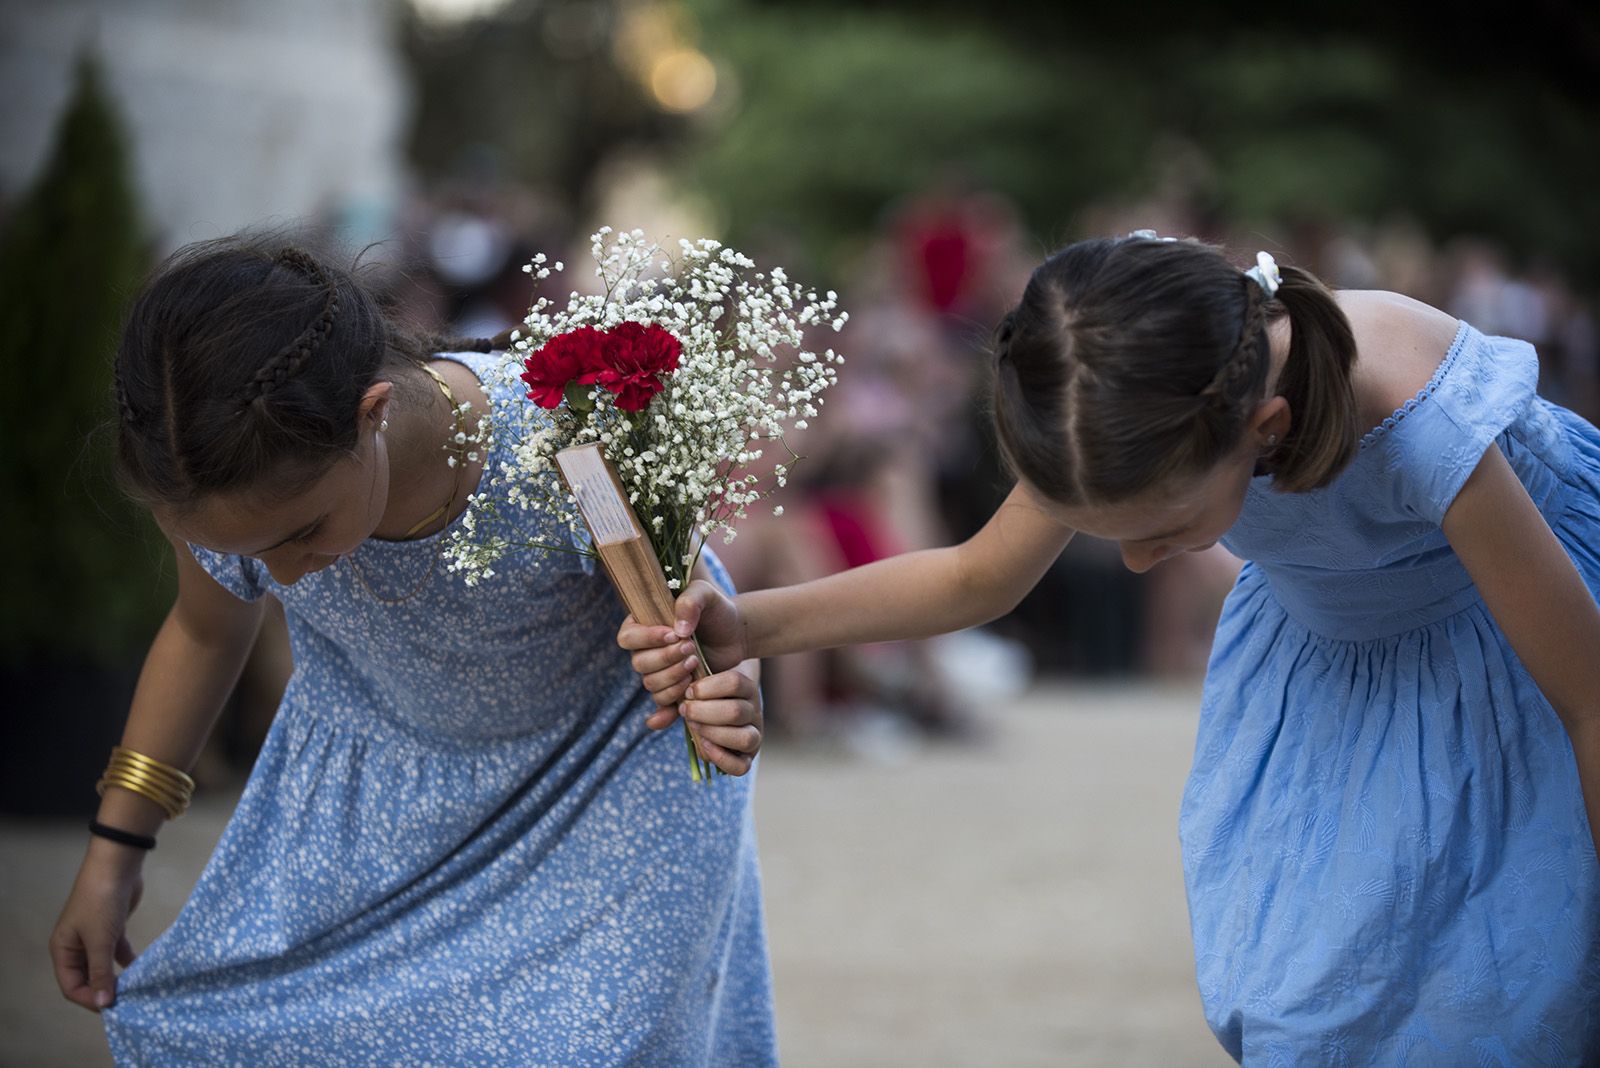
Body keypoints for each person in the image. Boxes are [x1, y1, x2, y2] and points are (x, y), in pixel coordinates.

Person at [621, 232, 1600, 1060]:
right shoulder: (1113, 403)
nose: (1136, 563)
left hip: (1513, 643)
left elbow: (1587, 698)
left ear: (1265, 429)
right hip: (1340, 650)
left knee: (1514, 981)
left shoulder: (1410, 414)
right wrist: (749, 623)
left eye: (1166, 526)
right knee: (1321, 994)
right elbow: (973, 575)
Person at [49, 237, 773, 1065]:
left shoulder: (560, 440)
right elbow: (205, 631)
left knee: (586, 1045)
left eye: (302, 533)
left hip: (606, 790)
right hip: (382, 803)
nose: (279, 575)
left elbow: (700, 614)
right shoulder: (214, 476)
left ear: (373, 414)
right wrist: (115, 853)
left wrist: (726, 688)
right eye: (250, 556)